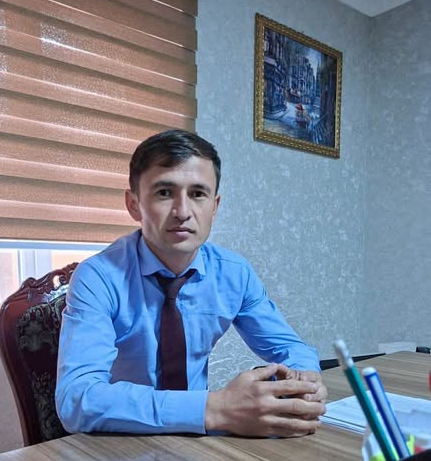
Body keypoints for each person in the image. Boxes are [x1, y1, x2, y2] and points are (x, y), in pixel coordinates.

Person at [56, 129, 327, 437]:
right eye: (164, 192)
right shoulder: (98, 277)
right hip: (122, 441)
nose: (183, 212)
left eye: (198, 194)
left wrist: (304, 381)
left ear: (214, 206)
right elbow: (76, 401)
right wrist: (215, 409)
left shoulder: (234, 274)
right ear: (134, 205)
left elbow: (291, 348)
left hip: (200, 439)